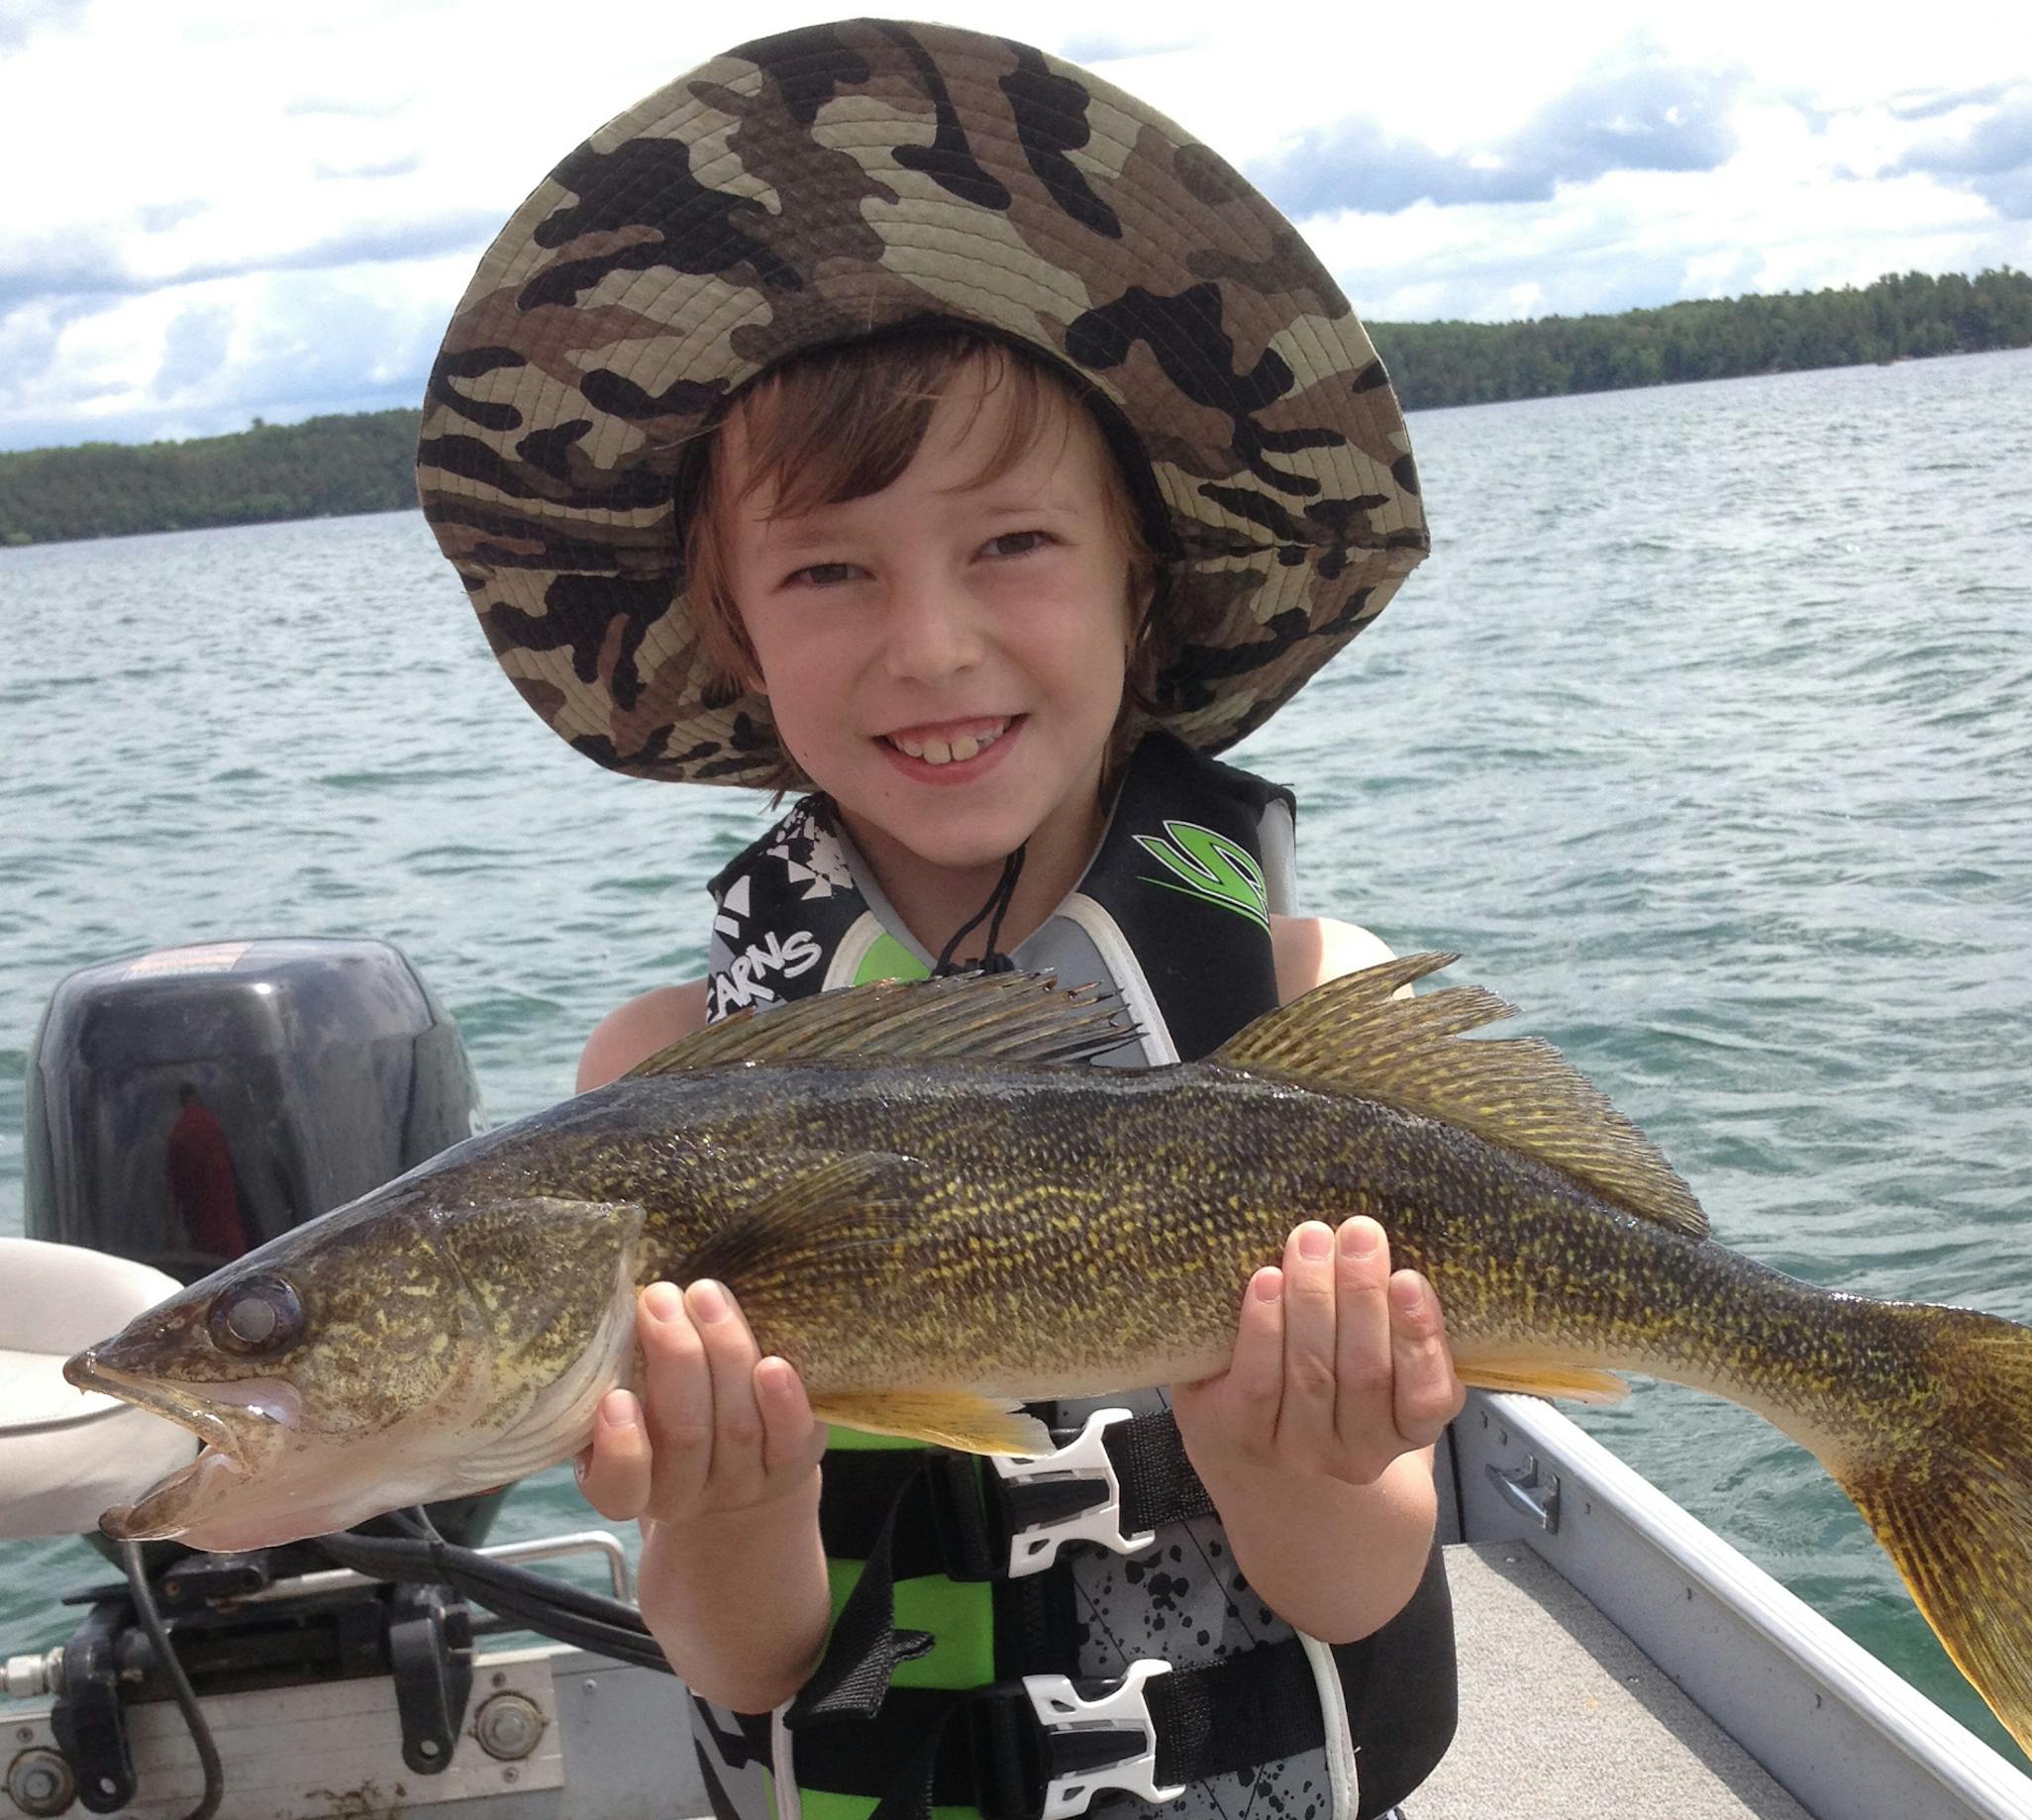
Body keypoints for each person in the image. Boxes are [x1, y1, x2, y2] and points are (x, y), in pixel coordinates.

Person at [418, 22, 1460, 1820]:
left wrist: (1279, 1441)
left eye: (1013, 546)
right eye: (829, 569)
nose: (933, 645)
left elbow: (1363, 1584)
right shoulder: (660, 1083)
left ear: (1146, 570)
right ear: (735, 631)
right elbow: (743, 1660)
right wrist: (734, 1504)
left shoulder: (1302, 1007)